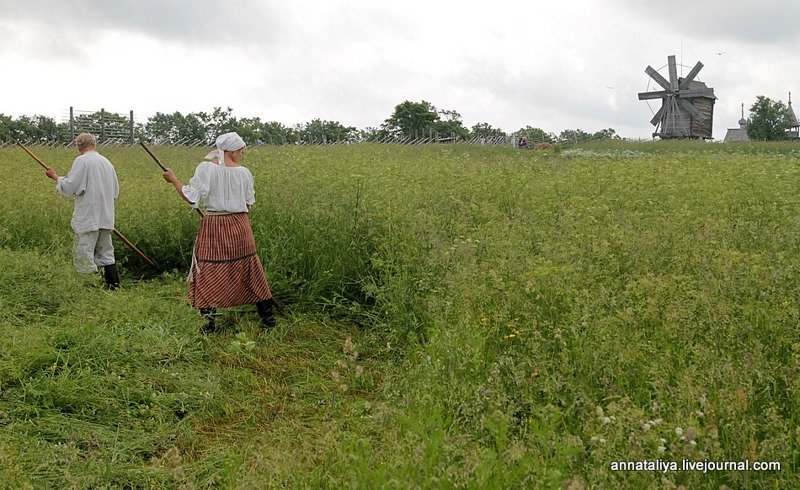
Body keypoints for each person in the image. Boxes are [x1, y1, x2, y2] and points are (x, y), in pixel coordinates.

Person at [162, 132, 276, 333]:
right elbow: (248, 205)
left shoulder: (206, 169)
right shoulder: (244, 173)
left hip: (214, 224)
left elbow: (191, 198)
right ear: (231, 151)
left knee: (208, 269)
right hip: (241, 226)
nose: (242, 155)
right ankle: (268, 321)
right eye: (241, 151)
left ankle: (209, 325)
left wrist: (173, 180)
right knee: (250, 269)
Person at [44, 132, 120, 289]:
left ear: (79, 147)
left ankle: (89, 290)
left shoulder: (82, 161)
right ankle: (113, 286)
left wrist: (55, 177)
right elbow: (115, 192)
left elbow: (70, 186)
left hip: (88, 218)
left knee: (83, 253)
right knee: (106, 252)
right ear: (94, 144)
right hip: (106, 217)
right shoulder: (107, 163)